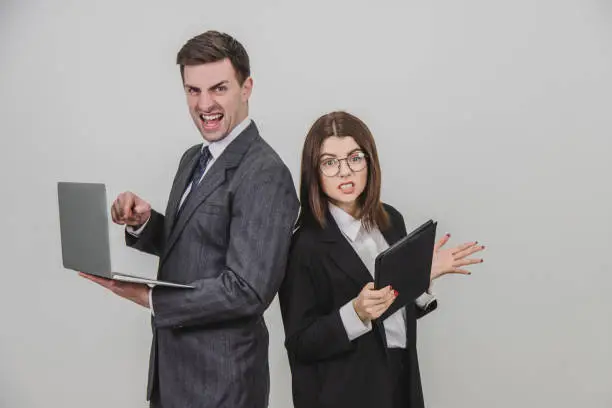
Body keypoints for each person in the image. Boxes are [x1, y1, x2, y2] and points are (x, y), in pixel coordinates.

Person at [80, 30, 299, 408]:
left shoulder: (265, 172)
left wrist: (150, 297)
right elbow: (200, 242)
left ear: (246, 88)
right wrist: (144, 224)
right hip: (174, 373)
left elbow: (247, 291)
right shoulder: (193, 157)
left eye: (218, 88)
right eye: (193, 90)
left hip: (222, 382)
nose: (205, 104)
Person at [279, 111, 485, 408]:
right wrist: (357, 312)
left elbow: (394, 315)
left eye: (354, 158)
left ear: (370, 161)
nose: (344, 172)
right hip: (344, 394)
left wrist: (419, 279)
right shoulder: (303, 244)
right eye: (329, 162)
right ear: (314, 171)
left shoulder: (391, 221)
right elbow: (299, 344)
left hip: (400, 380)